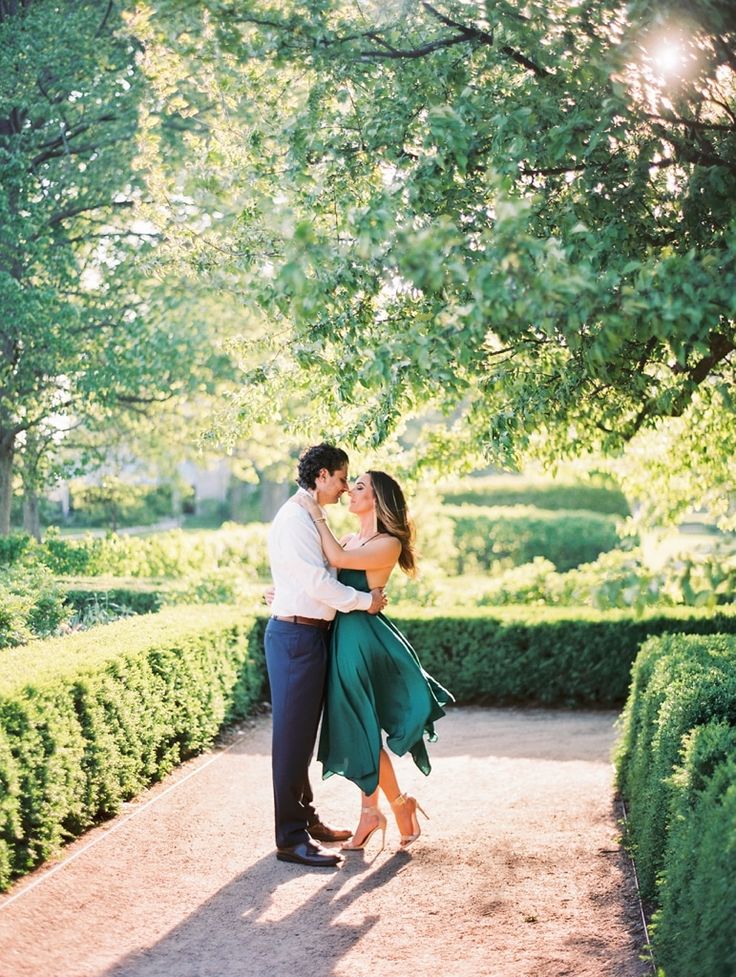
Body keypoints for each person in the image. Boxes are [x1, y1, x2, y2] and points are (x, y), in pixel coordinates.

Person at [295, 469, 453, 853]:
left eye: (359, 486)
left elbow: (336, 557)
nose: (350, 489)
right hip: (343, 637)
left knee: (361, 725)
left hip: (362, 640)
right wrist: (285, 592)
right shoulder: (351, 537)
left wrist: (314, 508)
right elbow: (323, 578)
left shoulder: (388, 543)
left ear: (377, 500)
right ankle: (382, 809)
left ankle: (386, 809)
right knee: (357, 724)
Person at [265, 443, 387, 869]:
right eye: (340, 478)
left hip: (307, 634)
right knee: (292, 742)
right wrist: (364, 601)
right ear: (321, 476)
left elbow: (306, 579)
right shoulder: (297, 518)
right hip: (297, 637)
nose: (342, 488)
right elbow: (318, 583)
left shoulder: (308, 516)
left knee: (301, 738)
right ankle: (290, 839)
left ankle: (306, 821)